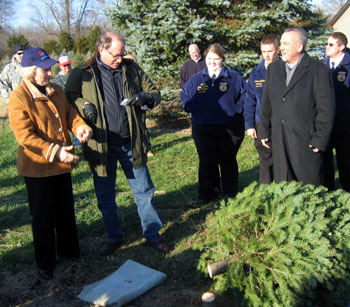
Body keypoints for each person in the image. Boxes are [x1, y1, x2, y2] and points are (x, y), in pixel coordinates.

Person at [65, 32, 170, 255]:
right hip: (100, 146)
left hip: (131, 143)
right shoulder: (82, 73)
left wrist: (144, 98)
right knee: (105, 196)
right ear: (101, 50)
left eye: (122, 54)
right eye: (116, 54)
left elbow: (154, 93)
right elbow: (68, 97)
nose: (120, 58)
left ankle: (152, 234)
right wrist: (84, 105)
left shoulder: (131, 68)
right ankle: (113, 237)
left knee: (144, 191)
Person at [8, 47, 92, 280]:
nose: (50, 72)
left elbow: (70, 115)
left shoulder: (56, 90)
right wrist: (55, 152)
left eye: (50, 68)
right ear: (31, 72)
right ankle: (46, 263)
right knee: (43, 217)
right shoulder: (19, 97)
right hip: (38, 168)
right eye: (45, 69)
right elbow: (25, 136)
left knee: (65, 211)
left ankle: (69, 251)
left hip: (61, 165)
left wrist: (80, 127)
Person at [258, 27, 335, 185]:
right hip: (280, 141)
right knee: (284, 188)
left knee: (309, 189)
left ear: (299, 46)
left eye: (286, 43)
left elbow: (326, 110)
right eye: (281, 43)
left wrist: (320, 140)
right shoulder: (274, 69)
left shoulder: (318, 71)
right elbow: (266, 104)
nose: (281, 48)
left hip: (306, 144)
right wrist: (264, 130)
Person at [180, 43, 246, 203]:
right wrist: (193, 109)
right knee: (207, 162)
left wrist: (235, 110)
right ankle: (207, 194)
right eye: (209, 59)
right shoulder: (197, 79)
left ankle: (230, 194)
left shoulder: (234, 77)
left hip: (229, 129)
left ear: (222, 59)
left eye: (216, 59)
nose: (212, 62)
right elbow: (185, 96)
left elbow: (246, 96)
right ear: (205, 59)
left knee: (227, 161)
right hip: (203, 129)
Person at [244, 34, 279, 184]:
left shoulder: (284, 69)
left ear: (277, 50)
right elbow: (250, 100)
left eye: (270, 51)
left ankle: (282, 186)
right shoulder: (256, 73)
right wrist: (250, 125)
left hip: (280, 121)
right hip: (261, 122)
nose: (267, 55)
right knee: (265, 157)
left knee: (281, 156)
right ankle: (266, 188)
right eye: (264, 51)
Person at [323, 32, 350, 191]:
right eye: (326, 43)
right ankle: (328, 188)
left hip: (345, 122)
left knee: (345, 157)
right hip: (327, 120)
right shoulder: (323, 65)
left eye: (331, 44)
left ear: (342, 47)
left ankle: (347, 189)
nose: (327, 47)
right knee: (325, 156)